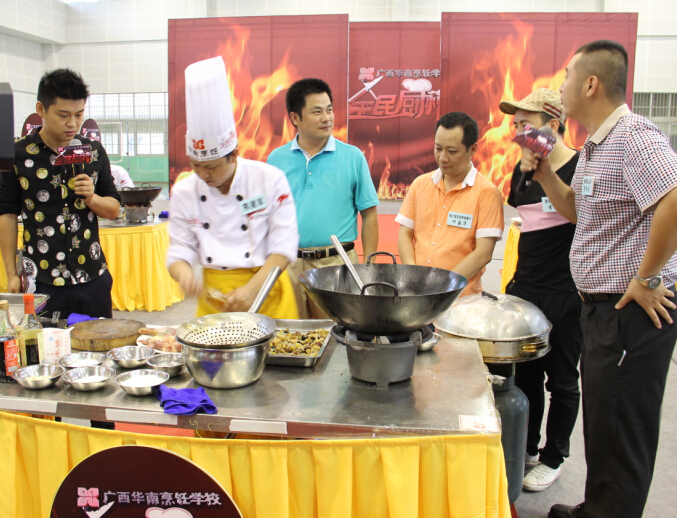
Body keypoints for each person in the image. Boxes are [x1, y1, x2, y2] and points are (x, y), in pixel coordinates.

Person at [522, 41, 677, 518]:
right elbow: (578, 210)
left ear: (590, 84)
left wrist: (647, 277)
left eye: (567, 76)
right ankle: (598, 508)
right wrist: (545, 174)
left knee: (623, 425)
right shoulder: (596, 146)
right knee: (606, 420)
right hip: (600, 308)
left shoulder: (635, 137)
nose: (561, 86)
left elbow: (673, 200)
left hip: (630, 309)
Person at [167, 56, 299, 319]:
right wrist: (184, 274)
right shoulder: (184, 192)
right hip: (216, 297)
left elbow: (284, 245)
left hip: (266, 288)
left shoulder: (269, 179)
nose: (203, 174)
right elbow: (179, 248)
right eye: (195, 165)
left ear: (234, 155)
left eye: (212, 166)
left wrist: (252, 290)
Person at [499, 88, 582, 491]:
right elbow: (524, 214)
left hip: (566, 292)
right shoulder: (523, 168)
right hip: (526, 287)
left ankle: (554, 457)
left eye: (526, 124)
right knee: (527, 375)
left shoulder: (581, 166)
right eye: (516, 125)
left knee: (562, 380)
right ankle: (527, 446)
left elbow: (581, 216)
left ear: (553, 124)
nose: (519, 132)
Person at [0, 68, 120, 319]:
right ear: (41, 109)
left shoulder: (93, 152)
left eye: (79, 114)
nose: (72, 124)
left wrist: (92, 198)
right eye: (63, 115)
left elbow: (114, 209)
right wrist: (11, 273)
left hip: (92, 278)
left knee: (97, 341)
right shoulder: (18, 155)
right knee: (42, 343)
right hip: (41, 281)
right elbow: (7, 215)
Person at [267, 78, 379, 319]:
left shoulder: (352, 157)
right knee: (289, 334)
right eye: (317, 112)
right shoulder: (276, 159)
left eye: (329, 110)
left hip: (336, 264)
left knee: (336, 334)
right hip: (288, 264)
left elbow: (369, 214)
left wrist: (368, 267)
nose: (327, 118)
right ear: (295, 118)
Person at [396, 112, 504, 296]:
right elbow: (405, 235)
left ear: (472, 149)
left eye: (452, 151)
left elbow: (483, 253)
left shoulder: (487, 193)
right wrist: (413, 274)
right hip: (418, 295)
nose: (443, 158)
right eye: (438, 148)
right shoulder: (420, 184)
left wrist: (442, 285)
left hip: (461, 299)